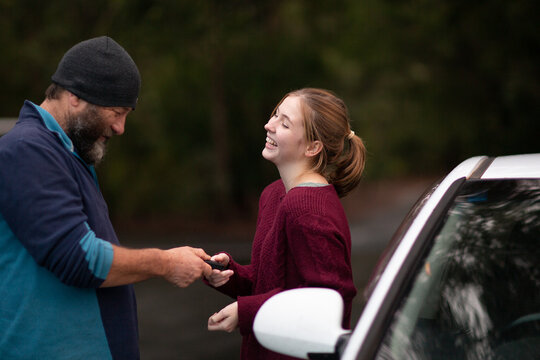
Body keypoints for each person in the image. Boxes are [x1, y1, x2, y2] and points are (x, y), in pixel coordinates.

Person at [0, 36, 213, 359]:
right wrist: (166, 263)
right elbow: (80, 260)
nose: (120, 127)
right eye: (116, 112)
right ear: (75, 96)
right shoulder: (28, 150)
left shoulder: (66, 152)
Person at [205, 88, 366, 359]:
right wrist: (228, 273)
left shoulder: (308, 209)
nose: (269, 125)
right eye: (275, 115)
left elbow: (327, 299)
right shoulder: (275, 193)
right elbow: (271, 281)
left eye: (285, 123)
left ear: (313, 147)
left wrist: (246, 311)